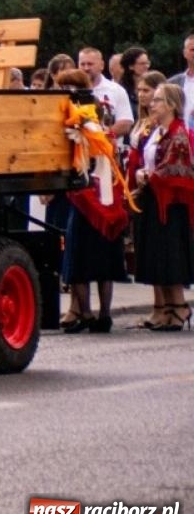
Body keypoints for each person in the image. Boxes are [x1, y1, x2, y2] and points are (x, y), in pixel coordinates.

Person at [54, 67, 127, 332]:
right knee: (102, 260)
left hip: (86, 198)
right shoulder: (99, 121)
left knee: (80, 259)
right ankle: (101, 314)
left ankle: (86, 313)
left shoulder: (79, 122)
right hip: (103, 196)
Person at [131, 81, 194, 330]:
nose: (152, 104)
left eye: (157, 100)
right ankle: (167, 307)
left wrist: (148, 177)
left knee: (170, 254)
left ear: (170, 105)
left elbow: (177, 168)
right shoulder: (157, 131)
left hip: (171, 205)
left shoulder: (178, 133)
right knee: (159, 254)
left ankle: (179, 306)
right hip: (154, 199)